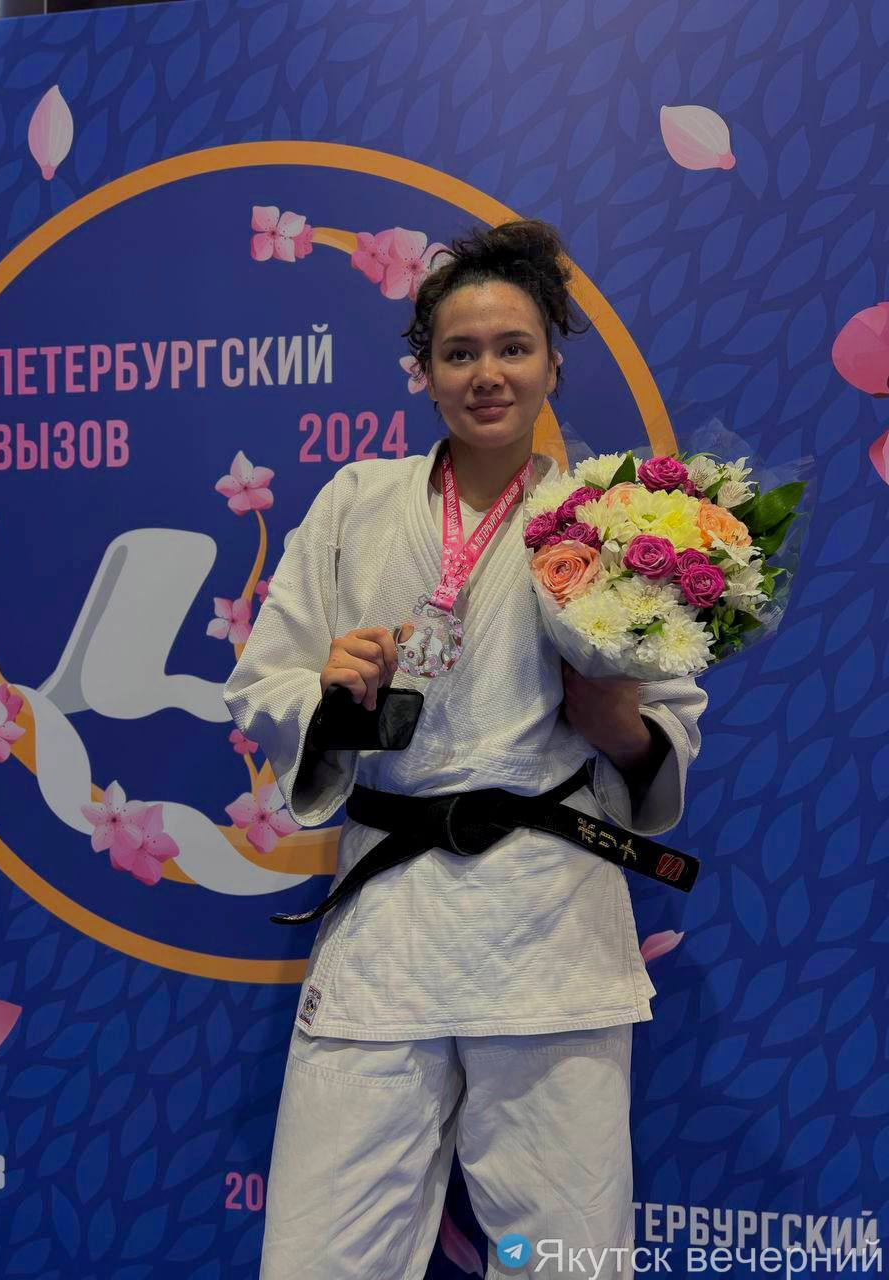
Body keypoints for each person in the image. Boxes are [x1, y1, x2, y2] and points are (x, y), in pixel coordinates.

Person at [224, 219, 708, 1280]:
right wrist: (332, 696)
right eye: (459, 352)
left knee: (563, 1254)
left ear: (552, 364)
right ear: (426, 371)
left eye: (513, 347)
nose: (487, 373)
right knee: (322, 1253)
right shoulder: (356, 502)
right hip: (388, 917)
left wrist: (617, 723)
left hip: (547, 916)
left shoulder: (613, 520)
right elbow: (261, 685)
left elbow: (667, 720)